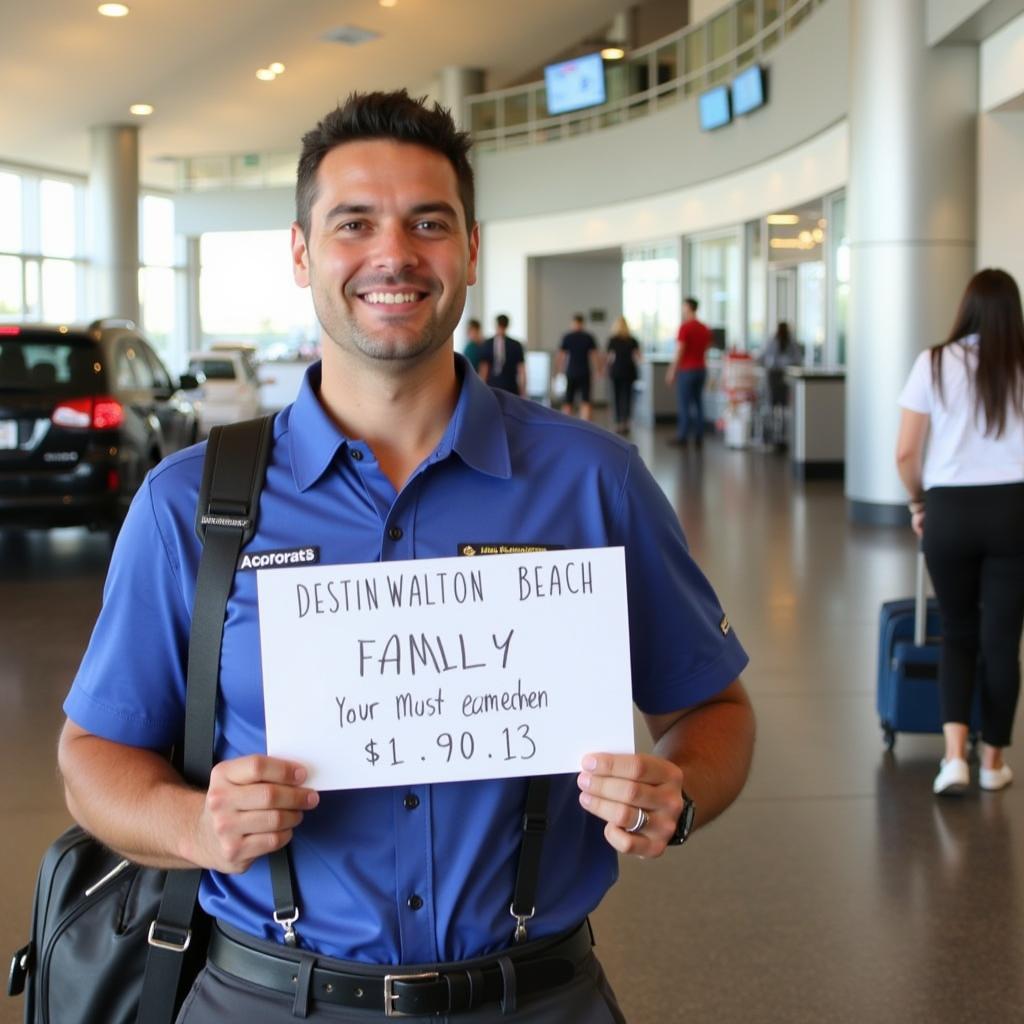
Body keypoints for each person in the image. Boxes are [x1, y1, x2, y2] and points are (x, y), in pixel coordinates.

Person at [57, 90, 754, 1022]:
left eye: (429, 222)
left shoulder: (593, 482)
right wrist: (194, 824)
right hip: (266, 997)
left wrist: (681, 792)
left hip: (538, 999)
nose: (394, 254)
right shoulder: (191, 504)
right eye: (355, 223)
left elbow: (713, 707)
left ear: (470, 248)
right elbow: (91, 755)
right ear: (303, 253)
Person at [896, 268, 1024, 797]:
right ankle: (992, 761)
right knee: (1002, 640)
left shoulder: (934, 362)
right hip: (1014, 508)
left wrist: (919, 502)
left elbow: (905, 453)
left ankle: (953, 760)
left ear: (966, 308)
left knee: (957, 632)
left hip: (948, 510)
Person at [666, 297, 712, 449]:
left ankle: (683, 436)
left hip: (687, 370)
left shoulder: (685, 328)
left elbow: (680, 350)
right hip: (701, 369)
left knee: (684, 404)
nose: (681, 309)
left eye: (683, 306)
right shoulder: (704, 328)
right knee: (698, 403)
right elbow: (707, 347)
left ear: (688, 308)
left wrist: (672, 370)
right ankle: (699, 436)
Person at [760, 321, 802, 445]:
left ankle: (773, 433)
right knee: (784, 406)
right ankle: (783, 433)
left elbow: (763, 358)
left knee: (772, 405)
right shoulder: (792, 343)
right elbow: (798, 360)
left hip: (773, 376)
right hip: (785, 377)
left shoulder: (772, 342)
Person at [557, 314, 599, 421]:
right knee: (585, 400)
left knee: (568, 400)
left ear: (573, 323)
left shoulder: (567, 337)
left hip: (571, 372)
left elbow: (561, 356)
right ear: (582, 323)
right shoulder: (588, 337)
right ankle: (586, 424)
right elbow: (594, 356)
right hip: (584, 372)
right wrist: (597, 370)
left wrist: (559, 371)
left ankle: (566, 425)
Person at [605, 316, 641, 435]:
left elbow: (610, 358)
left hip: (616, 371)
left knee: (616, 397)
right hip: (629, 371)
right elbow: (637, 357)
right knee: (628, 397)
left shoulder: (613, 340)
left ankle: (618, 423)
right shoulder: (632, 340)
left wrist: (605, 368)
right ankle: (626, 423)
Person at [479, 313, 526, 396]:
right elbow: (484, 369)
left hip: (510, 387)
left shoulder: (515, 345)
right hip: (492, 386)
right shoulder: (487, 344)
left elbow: (521, 370)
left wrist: (523, 391)